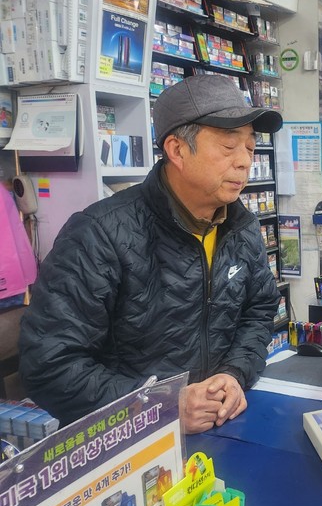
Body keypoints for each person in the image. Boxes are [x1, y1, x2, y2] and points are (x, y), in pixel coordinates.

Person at [19, 75, 283, 434]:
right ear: (177, 150)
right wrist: (162, 405)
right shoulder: (99, 234)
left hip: (221, 430)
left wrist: (235, 372)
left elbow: (259, 310)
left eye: (250, 147)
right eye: (228, 146)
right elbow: (49, 365)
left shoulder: (242, 227)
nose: (244, 162)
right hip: (129, 444)